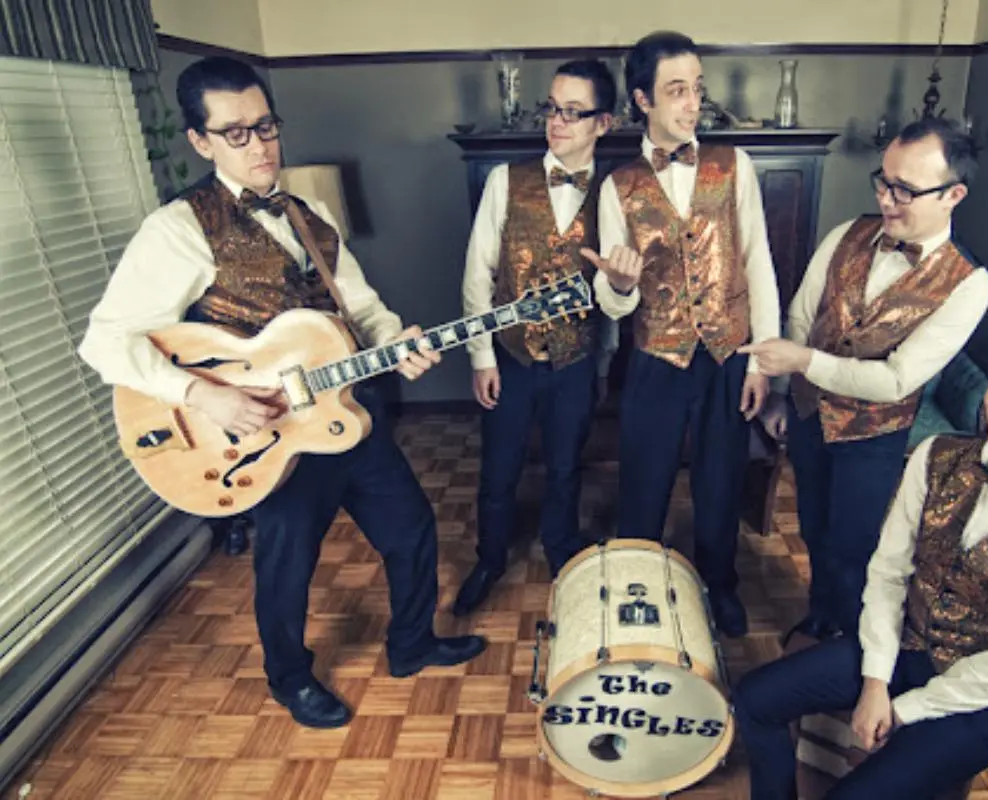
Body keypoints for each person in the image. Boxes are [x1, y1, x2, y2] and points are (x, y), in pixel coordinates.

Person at [78, 56, 486, 729]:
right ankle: (288, 678)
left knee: (411, 528)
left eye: (266, 125)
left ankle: (413, 644)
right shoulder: (177, 230)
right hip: (262, 435)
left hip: (343, 414)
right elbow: (104, 342)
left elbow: (357, 306)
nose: (261, 144)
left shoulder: (308, 211)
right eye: (236, 133)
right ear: (200, 141)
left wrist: (397, 340)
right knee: (287, 566)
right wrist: (204, 397)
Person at [732, 296, 988, 799]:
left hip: (980, 702)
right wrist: (877, 680)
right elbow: (887, 573)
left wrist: (902, 710)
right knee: (754, 698)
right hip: (901, 648)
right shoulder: (935, 455)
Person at [743, 117, 988, 641]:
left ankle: (850, 651)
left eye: (905, 190)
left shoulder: (970, 285)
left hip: (873, 436)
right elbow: (802, 317)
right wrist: (784, 398)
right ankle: (820, 616)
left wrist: (803, 363)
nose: (887, 199)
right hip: (810, 417)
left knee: (854, 547)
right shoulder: (846, 234)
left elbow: (896, 380)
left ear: (955, 195)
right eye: (883, 182)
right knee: (813, 527)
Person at [583, 31, 781, 637]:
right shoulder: (617, 186)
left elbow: (759, 261)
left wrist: (761, 363)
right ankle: (638, 587)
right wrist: (618, 285)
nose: (692, 102)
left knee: (721, 478)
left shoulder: (734, 164)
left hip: (727, 351)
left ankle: (719, 585)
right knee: (644, 478)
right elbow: (614, 306)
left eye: (697, 88)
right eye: (676, 90)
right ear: (642, 99)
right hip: (656, 357)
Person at [454, 59, 617, 615]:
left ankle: (562, 550)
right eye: (552, 108)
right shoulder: (505, 179)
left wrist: (601, 365)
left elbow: (618, 295)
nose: (558, 121)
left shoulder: (618, 194)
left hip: (576, 357)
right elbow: (479, 272)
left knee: (567, 464)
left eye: (575, 112)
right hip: (511, 354)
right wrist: (481, 356)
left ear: (604, 123)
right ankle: (490, 557)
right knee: (498, 466)